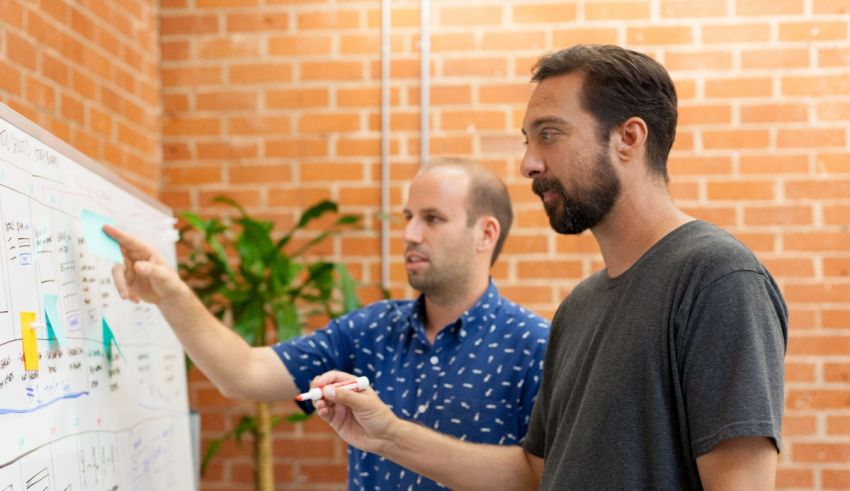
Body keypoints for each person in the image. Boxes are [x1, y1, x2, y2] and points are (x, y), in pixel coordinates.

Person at [310, 44, 788, 490]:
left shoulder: (716, 278)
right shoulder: (580, 306)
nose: (527, 164)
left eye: (549, 134)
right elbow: (532, 471)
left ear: (629, 137)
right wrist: (384, 435)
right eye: (527, 140)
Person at [104, 160, 550, 490]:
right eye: (408, 217)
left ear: (486, 234)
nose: (410, 234)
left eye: (432, 218)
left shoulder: (537, 347)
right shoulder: (372, 329)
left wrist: (392, 436)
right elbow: (245, 372)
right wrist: (171, 294)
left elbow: (539, 477)